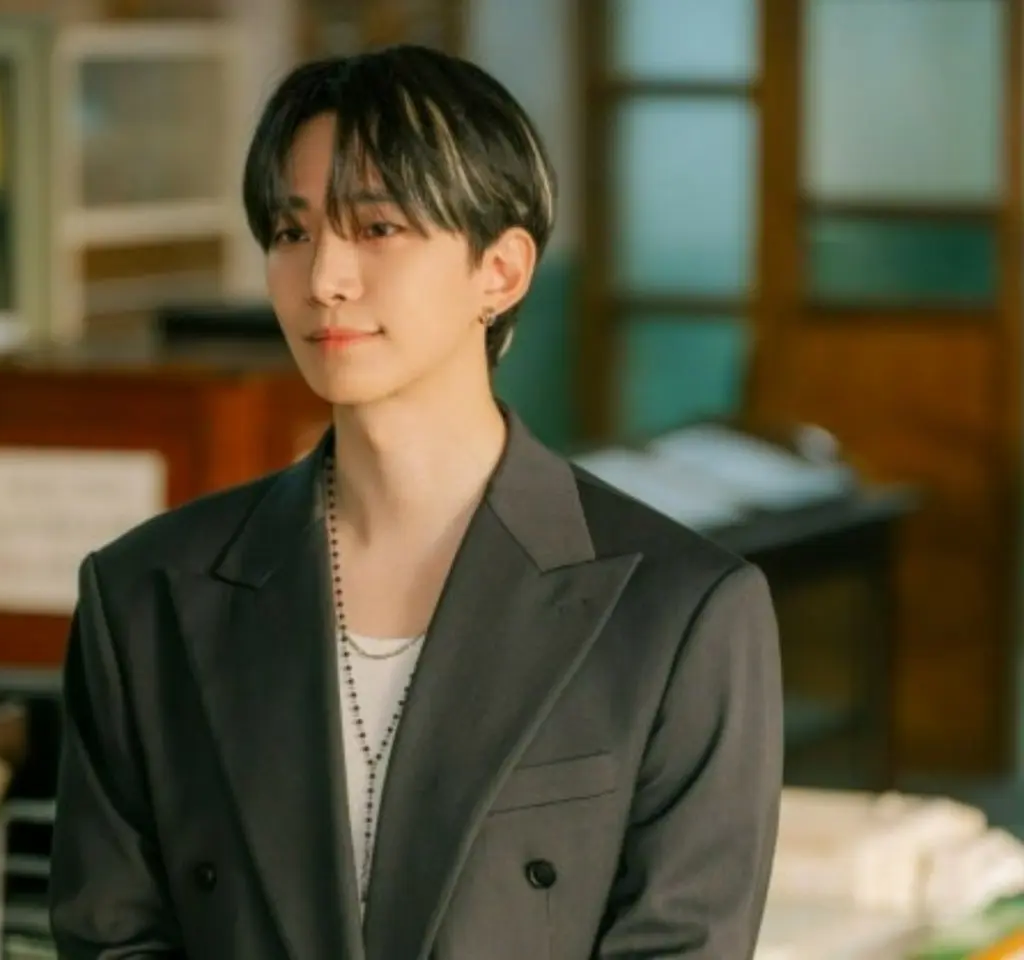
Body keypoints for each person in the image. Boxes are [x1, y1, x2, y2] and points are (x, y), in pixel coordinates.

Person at [48, 44, 783, 960]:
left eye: (378, 227)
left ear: (501, 271)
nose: (325, 279)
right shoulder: (145, 595)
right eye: (292, 233)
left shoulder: (682, 612)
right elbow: (112, 939)